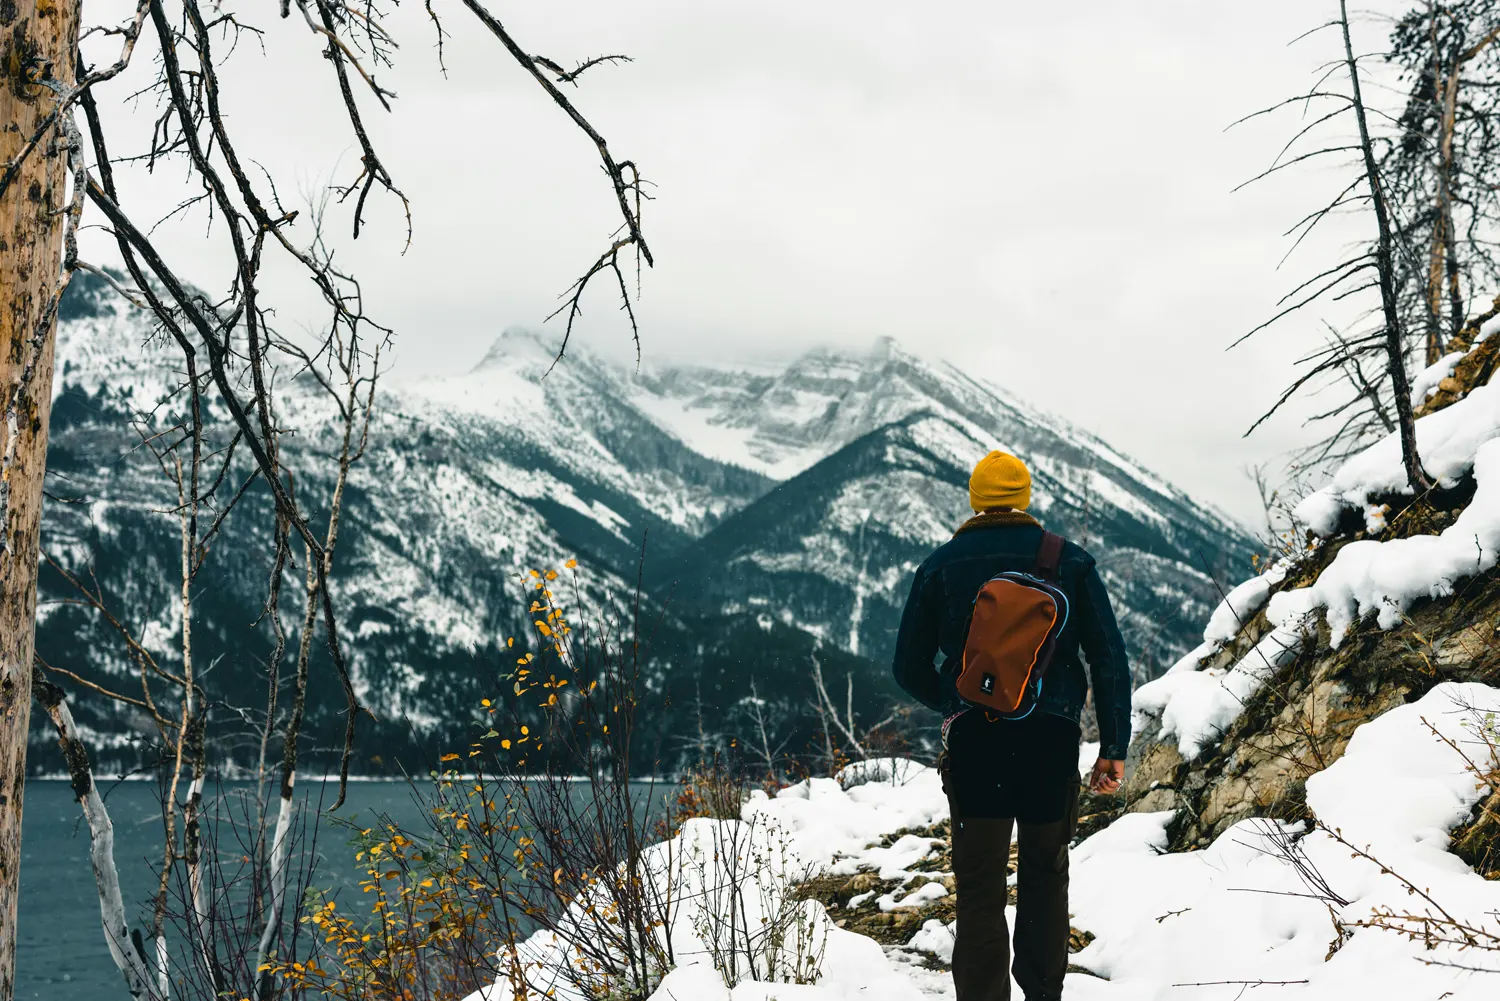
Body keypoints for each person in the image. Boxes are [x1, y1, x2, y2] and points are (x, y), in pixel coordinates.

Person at [891, 450, 1131, 1001]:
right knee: (1046, 874)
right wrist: (1113, 744)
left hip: (978, 741)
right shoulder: (1070, 561)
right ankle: (1043, 994)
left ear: (976, 501)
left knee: (980, 885)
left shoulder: (941, 566)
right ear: (1024, 500)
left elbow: (908, 666)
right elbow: (1107, 655)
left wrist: (956, 702)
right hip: (1051, 739)